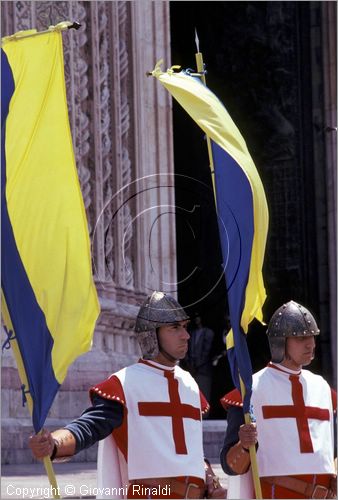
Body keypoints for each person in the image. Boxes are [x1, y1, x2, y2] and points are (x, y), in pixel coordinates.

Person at [29, 291, 226, 499]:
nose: (186, 335)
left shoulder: (189, 384)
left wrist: (210, 479)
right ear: (152, 334)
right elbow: (87, 427)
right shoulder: (125, 384)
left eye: (185, 327)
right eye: (175, 328)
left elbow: (192, 451)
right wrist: (54, 444)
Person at [219, 300, 337, 499]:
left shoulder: (322, 388)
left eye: (312, 336)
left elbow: (332, 449)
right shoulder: (251, 390)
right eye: (301, 338)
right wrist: (244, 445)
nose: (311, 344)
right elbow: (229, 466)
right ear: (279, 342)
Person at [183, 313, 215, 402]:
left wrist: (198, 366)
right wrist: (190, 365)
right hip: (192, 369)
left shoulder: (208, 332)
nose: (196, 319)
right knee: (193, 394)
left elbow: (207, 352)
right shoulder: (192, 333)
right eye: (195, 316)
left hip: (203, 370)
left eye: (198, 316)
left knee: (204, 394)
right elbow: (188, 350)